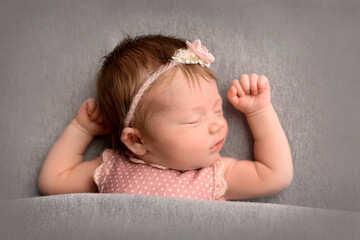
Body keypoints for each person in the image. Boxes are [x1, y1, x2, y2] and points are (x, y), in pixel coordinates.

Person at [38, 34, 293, 201]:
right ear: (137, 140)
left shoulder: (213, 176)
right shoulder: (110, 168)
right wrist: (81, 130)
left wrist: (259, 112)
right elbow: (52, 181)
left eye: (218, 110)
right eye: (194, 119)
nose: (218, 124)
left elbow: (275, 174)